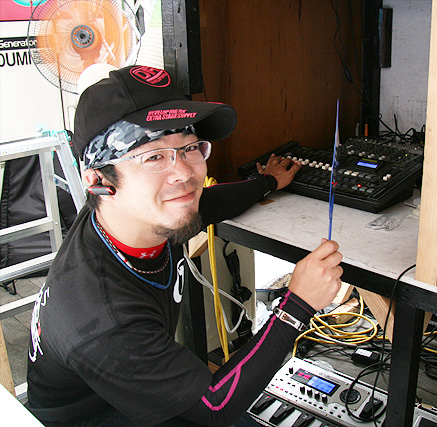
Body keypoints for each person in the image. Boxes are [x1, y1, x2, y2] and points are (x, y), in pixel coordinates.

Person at [26, 65, 343, 426]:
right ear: (99, 179)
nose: (186, 173)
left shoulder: (131, 213)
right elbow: (214, 407)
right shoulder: (101, 317)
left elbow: (209, 202)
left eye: (190, 147)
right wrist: (296, 305)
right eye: (153, 157)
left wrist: (267, 182)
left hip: (127, 387)